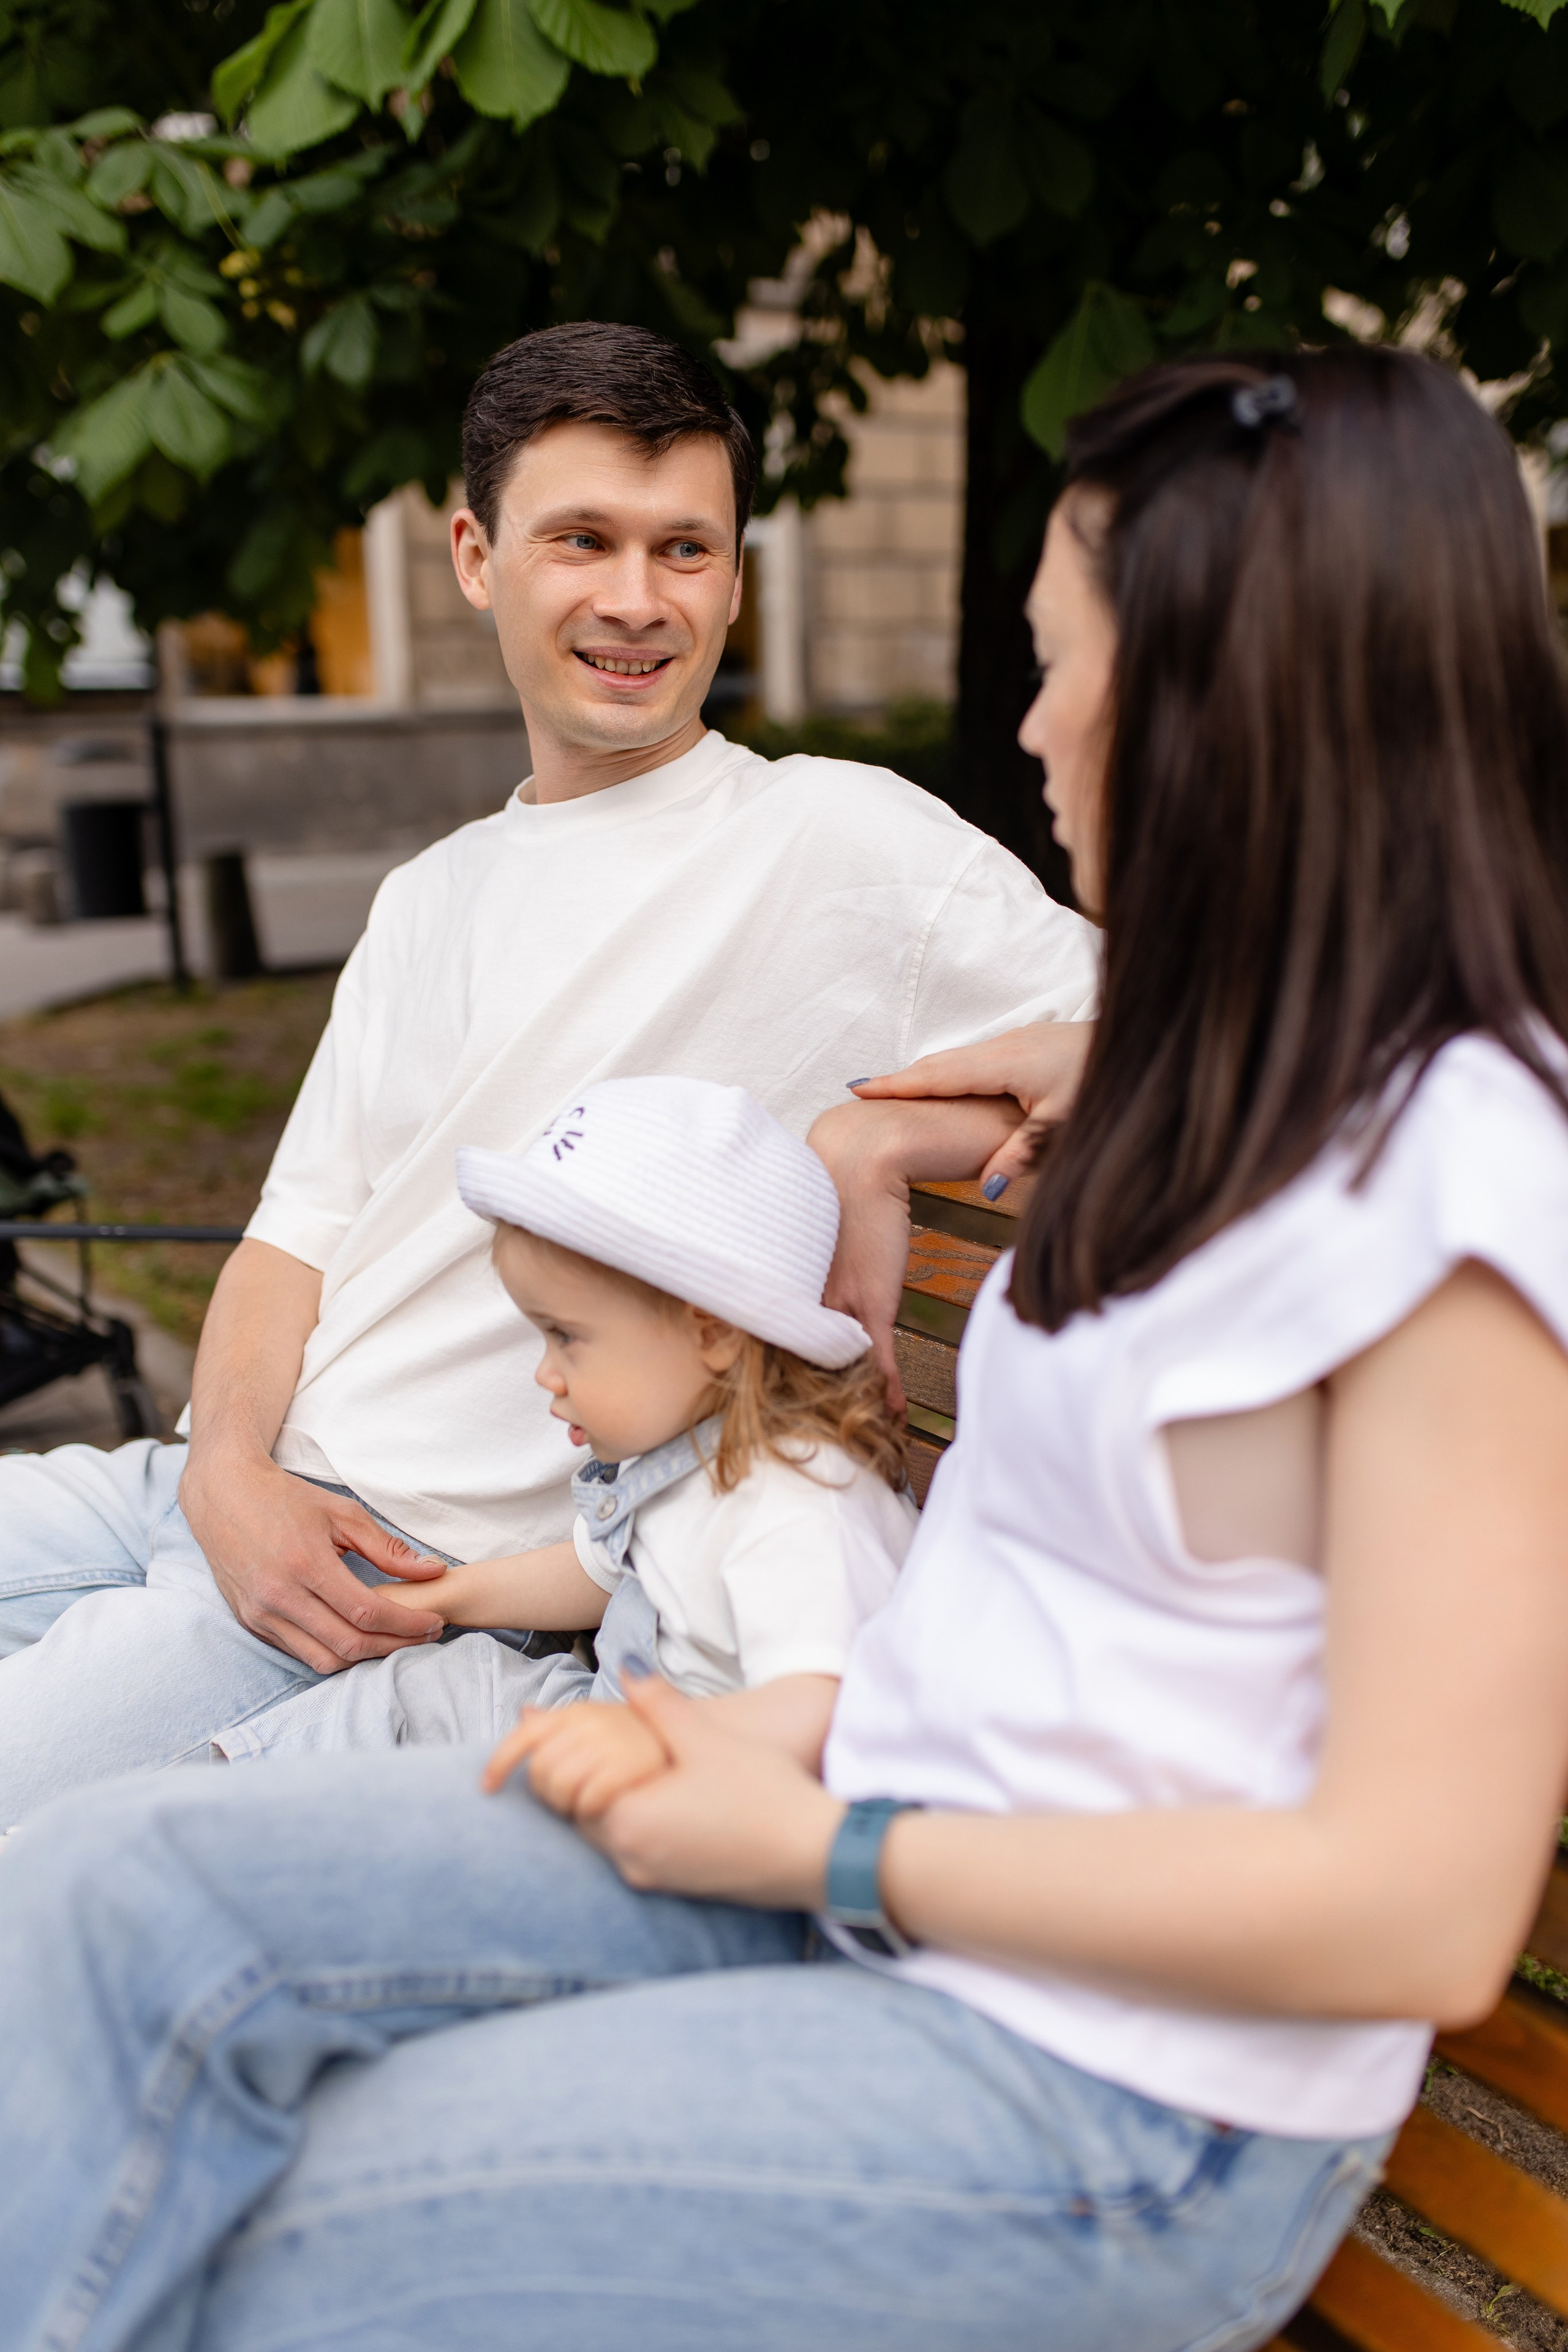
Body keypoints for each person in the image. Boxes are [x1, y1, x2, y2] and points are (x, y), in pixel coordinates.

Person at [8, 344, 1568, 2352]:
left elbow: (1419, 1914)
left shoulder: (1460, 1202)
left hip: (1106, 2090)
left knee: (263, 2235)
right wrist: (892, 1130)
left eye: (1054, 662)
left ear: (1214, 702)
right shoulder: (1247, 1088)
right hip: (849, 1852)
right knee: (102, 1903)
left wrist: (829, 1833)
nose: (1029, 725)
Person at [0, 321, 1095, 1825]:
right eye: (582, 539)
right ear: (474, 554)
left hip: (397, 1577)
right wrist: (228, 1471)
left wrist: (872, 1141)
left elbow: (1215, 1036)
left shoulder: (835, 842)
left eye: (686, 549)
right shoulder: (430, 891)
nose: (637, 601)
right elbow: (291, 1236)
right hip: (207, 1497)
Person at [213, 1076, 916, 1774]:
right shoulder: (692, 1451)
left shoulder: (798, 1506)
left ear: (715, 1335)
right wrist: (435, 1600)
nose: (545, 1374)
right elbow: (596, 1570)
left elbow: (826, 1710)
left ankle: (241, 1818)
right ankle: (238, 1793)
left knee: (440, 1716)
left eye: (567, 1338)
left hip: (702, 1804)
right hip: (615, 1722)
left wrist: (649, 1746)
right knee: (433, 1688)